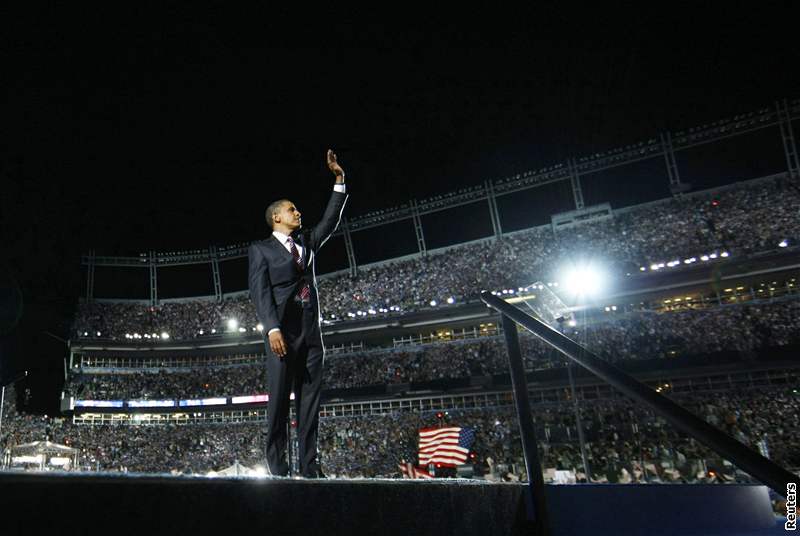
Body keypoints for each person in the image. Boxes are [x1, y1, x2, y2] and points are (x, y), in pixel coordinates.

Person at [248, 149, 348, 478]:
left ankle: (309, 466)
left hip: (311, 334)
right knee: (278, 405)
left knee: (310, 405)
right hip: (282, 335)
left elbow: (330, 221)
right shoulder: (261, 250)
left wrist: (338, 180)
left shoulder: (307, 241)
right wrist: (272, 329)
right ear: (277, 217)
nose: (298, 212)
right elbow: (260, 292)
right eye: (292, 209)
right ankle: (278, 469)